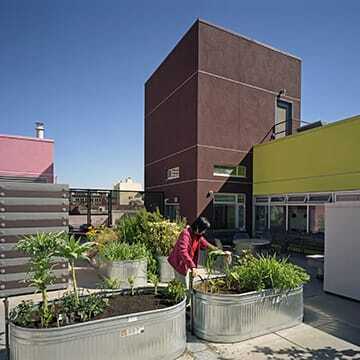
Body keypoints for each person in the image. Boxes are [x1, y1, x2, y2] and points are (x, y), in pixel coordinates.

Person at [168, 217, 231, 287]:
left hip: (188, 263)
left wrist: (221, 252)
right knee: (184, 286)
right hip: (179, 262)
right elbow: (183, 251)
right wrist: (192, 267)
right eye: (203, 230)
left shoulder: (198, 236)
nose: (204, 232)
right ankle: (183, 297)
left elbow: (207, 245)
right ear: (198, 227)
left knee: (189, 285)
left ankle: (188, 296)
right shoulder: (185, 234)